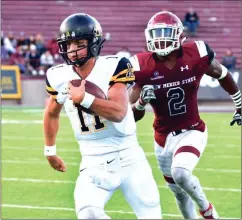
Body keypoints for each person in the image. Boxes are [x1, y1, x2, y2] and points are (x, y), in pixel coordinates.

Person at [43, 13, 161, 219]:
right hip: (92, 161)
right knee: (88, 213)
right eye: (68, 44)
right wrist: (50, 150)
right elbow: (52, 113)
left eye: (79, 43)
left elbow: (118, 112)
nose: (72, 50)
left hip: (129, 158)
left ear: (94, 42)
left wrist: (85, 99)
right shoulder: (58, 75)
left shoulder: (113, 66)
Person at [129, 11, 241, 219]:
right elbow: (129, 115)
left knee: (181, 172)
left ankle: (207, 211)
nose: (161, 38)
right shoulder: (142, 67)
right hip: (162, 139)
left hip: (192, 130)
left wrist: (239, 103)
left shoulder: (196, 54)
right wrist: (141, 102)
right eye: (156, 33)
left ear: (180, 36)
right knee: (179, 195)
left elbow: (222, 74)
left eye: (166, 32)